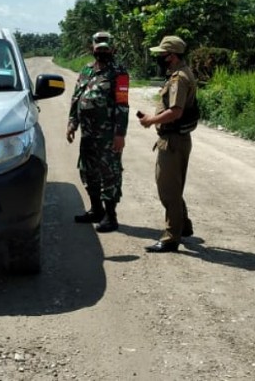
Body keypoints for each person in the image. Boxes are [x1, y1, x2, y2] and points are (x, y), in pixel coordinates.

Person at [139, 35, 198, 253]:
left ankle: (172, 236)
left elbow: (176, 111)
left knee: (168, 189)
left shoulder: (178, 79)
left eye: (162, 55)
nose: (159, 58)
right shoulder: (180, 73)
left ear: (171, 56)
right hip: (176, 139)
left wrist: (150, 121)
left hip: (172, 141)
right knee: (174, 185)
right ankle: (184, 225)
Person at [66, 31, 129, 233]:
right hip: (88, 135)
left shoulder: (119, 73)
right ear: (92, 48)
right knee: (87, 170)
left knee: (109, 173)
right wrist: (72, 123)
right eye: (98, 47)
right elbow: (76, 98)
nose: (102, 50)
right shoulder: (86, 70)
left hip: (108, 136)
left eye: (105, 47)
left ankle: (111, 216)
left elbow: (123, 105)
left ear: (113, 49)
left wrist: (120, 134)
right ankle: (96, 210)